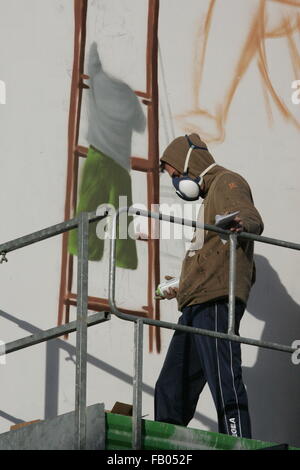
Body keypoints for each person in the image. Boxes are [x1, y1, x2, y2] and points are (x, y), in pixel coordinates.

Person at [154, 133, 264, 439]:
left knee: (223, 376)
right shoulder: (208, 200)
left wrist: (242, 223)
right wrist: (182, 284)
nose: (177, 184)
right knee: (171, 385)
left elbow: (249, 216)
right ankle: (162, 445)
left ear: (192, 166)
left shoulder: (228, 182)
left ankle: (239, 442)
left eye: (176, 176)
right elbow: (211, 257)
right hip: (195, 302)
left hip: (216, 300)